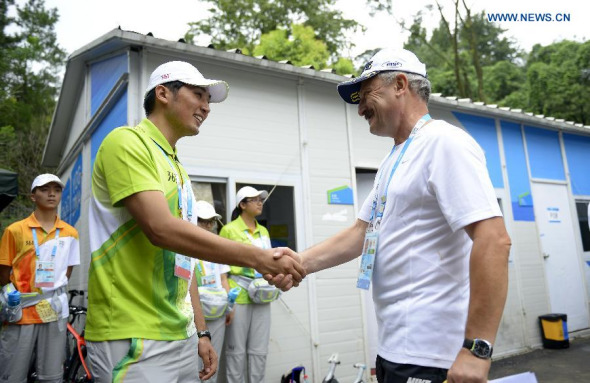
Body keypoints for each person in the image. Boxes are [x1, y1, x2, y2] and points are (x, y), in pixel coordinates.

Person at [268, 49, 511, 383]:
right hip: (394, 349)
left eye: (366, 94)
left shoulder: (444, 142)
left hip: (432, 353)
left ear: (400, 84)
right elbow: (361, 233)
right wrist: (300, 263)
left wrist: (477, 349)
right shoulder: (395, 157)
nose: (359, 109)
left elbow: (494, 239)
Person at [85, 61, 304, 383]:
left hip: (180, 334)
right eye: (198, 95)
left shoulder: (177, 167)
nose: (206, 107)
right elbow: (161, 230)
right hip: (131, 333)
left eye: (208, 100)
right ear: (162, 93)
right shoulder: (127, 142)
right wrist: (259, 259)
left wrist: (200, 331)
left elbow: (182, 258)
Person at [0, 173, 80, 383]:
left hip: (53, 311)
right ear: (33, 196)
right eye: (44, 189)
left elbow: (67, 272)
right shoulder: (14, 230)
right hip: (21, 312)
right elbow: (3, 273)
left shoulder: (70, 233)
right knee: (11, 375)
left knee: (52, 376)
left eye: (56, 189)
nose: (51, 193)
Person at [220, 186, 276, 383]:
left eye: (261, 199)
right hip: (239, 296)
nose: (260, 202)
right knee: (235, 352)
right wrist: (230, 302)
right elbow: (222, 270)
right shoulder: (228, 230)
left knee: (259, 350)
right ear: (242, 205)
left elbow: (270, 263)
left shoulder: (263, 231)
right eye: (254, 200)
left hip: (263, 294)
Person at [192, 200, 232, 383]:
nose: (208, 225)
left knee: (213, 360)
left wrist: (229, 308)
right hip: (194, 314)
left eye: (211, 221)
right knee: (193, 362)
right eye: (203, 221)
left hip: (217, 311)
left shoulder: (218, 246)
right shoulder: (185, 245)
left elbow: (224, 279)